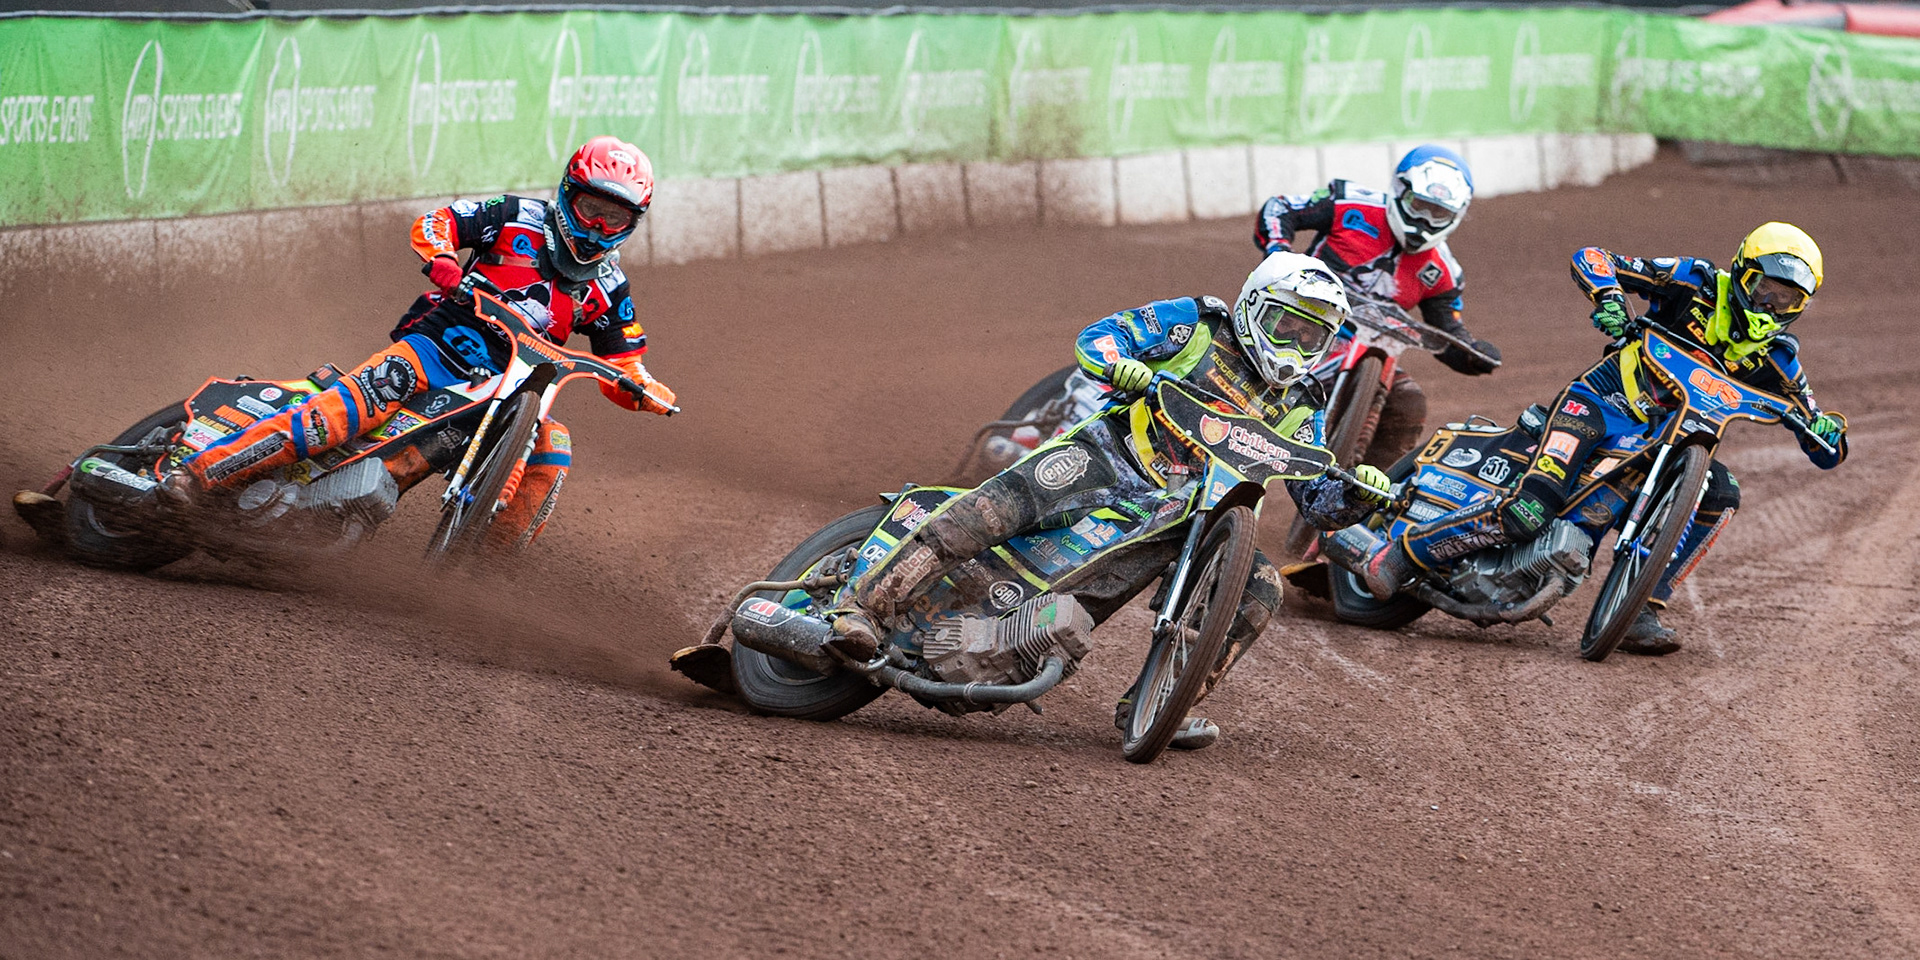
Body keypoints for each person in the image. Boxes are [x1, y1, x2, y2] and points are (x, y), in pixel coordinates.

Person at [830, 252, 1392, 749]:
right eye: (1285, 325)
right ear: (1253, 306)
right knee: (994, 508)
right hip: (1111, 453)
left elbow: (1316, 498)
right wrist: (1123, 365)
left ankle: (1164, 703)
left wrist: (1357, 491)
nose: (1294, 345)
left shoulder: (1302, 401)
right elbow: (1101, 336)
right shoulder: (1197, 323)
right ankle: (863, 606)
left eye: (1312, 336)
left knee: (1261, 589)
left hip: (1183, 516)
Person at [1356, 222, 1847, 655]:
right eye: (1766, 288)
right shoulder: (1695, 279)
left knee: (1721, 491)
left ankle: (1641, 609)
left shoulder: (1779, 358)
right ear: (1743, 272)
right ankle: (1399, 555)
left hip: (1667, 447)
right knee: (1529, 510)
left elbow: (1821, 438)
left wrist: (1825, 431)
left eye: (1787, 299)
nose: (1771, 304)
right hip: (1599, 405)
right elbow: (1593, 258)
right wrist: (1611, 299)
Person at [168, 136, 676, 549]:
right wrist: (442, 261)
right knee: (344, 412)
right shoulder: (516, 214)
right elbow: (438, 222)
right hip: (436, 349)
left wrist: (646, 391)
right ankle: (199, 475)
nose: (597, 227)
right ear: (569, 192)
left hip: (511, 391)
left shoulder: (609, 288)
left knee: (553, 448)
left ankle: (486, 576)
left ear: (632, 224)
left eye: (615, 218)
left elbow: (625, 365)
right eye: (590, 207)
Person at [1254, 144, 1501, 470]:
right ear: (1401, 191)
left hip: (1369, 348)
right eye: (1420, 205)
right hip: (1297, 320)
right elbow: (1279, 208)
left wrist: (1471, 353)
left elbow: (1445, 331)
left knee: (1408, 404)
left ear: (1455, 216)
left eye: (1438, 213)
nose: (1425, 220)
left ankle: (1359, 497)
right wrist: (1279, 252)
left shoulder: (1443, 273)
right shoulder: (1348, 203)